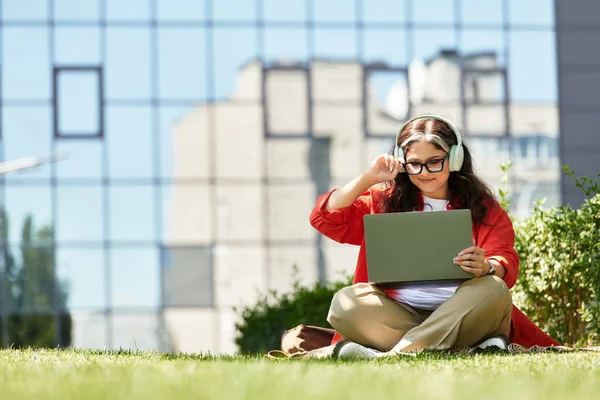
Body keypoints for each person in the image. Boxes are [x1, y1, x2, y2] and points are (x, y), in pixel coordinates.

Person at [308, 114, 560, 359]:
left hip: (465, 313)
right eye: (414, 163)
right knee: (344, 302)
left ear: (455, 159)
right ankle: (455, 346)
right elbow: (326, 218)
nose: (424, 172)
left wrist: (487, 267)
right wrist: (368, 178)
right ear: (402, 161)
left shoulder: (482, 207)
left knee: (494, 289)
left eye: (435, 162)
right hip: (396, 315)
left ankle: (397, 353)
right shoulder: (382, 201)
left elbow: (505, 261)